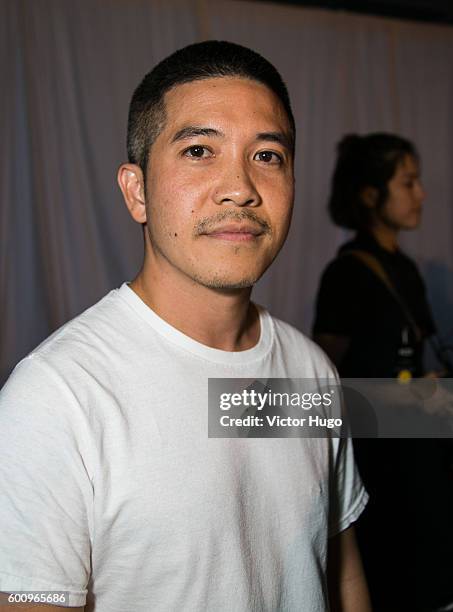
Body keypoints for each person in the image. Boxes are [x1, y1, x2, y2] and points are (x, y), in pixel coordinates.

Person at [0, 42, 371, 611]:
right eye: (200, 150)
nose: (240, 187)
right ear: (137, 191)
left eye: (268, 156)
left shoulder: (310, 371)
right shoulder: (56, 398)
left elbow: (339, 570)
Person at [313, 133, 453, 612]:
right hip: (380, 475)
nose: (421, 194)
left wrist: (428, 388)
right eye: (408, 182)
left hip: (422, 464)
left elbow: (412, 365)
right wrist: (409, 397)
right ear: (370, 194)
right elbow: (323, 394)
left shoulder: (406, 269)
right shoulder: (348, 274)